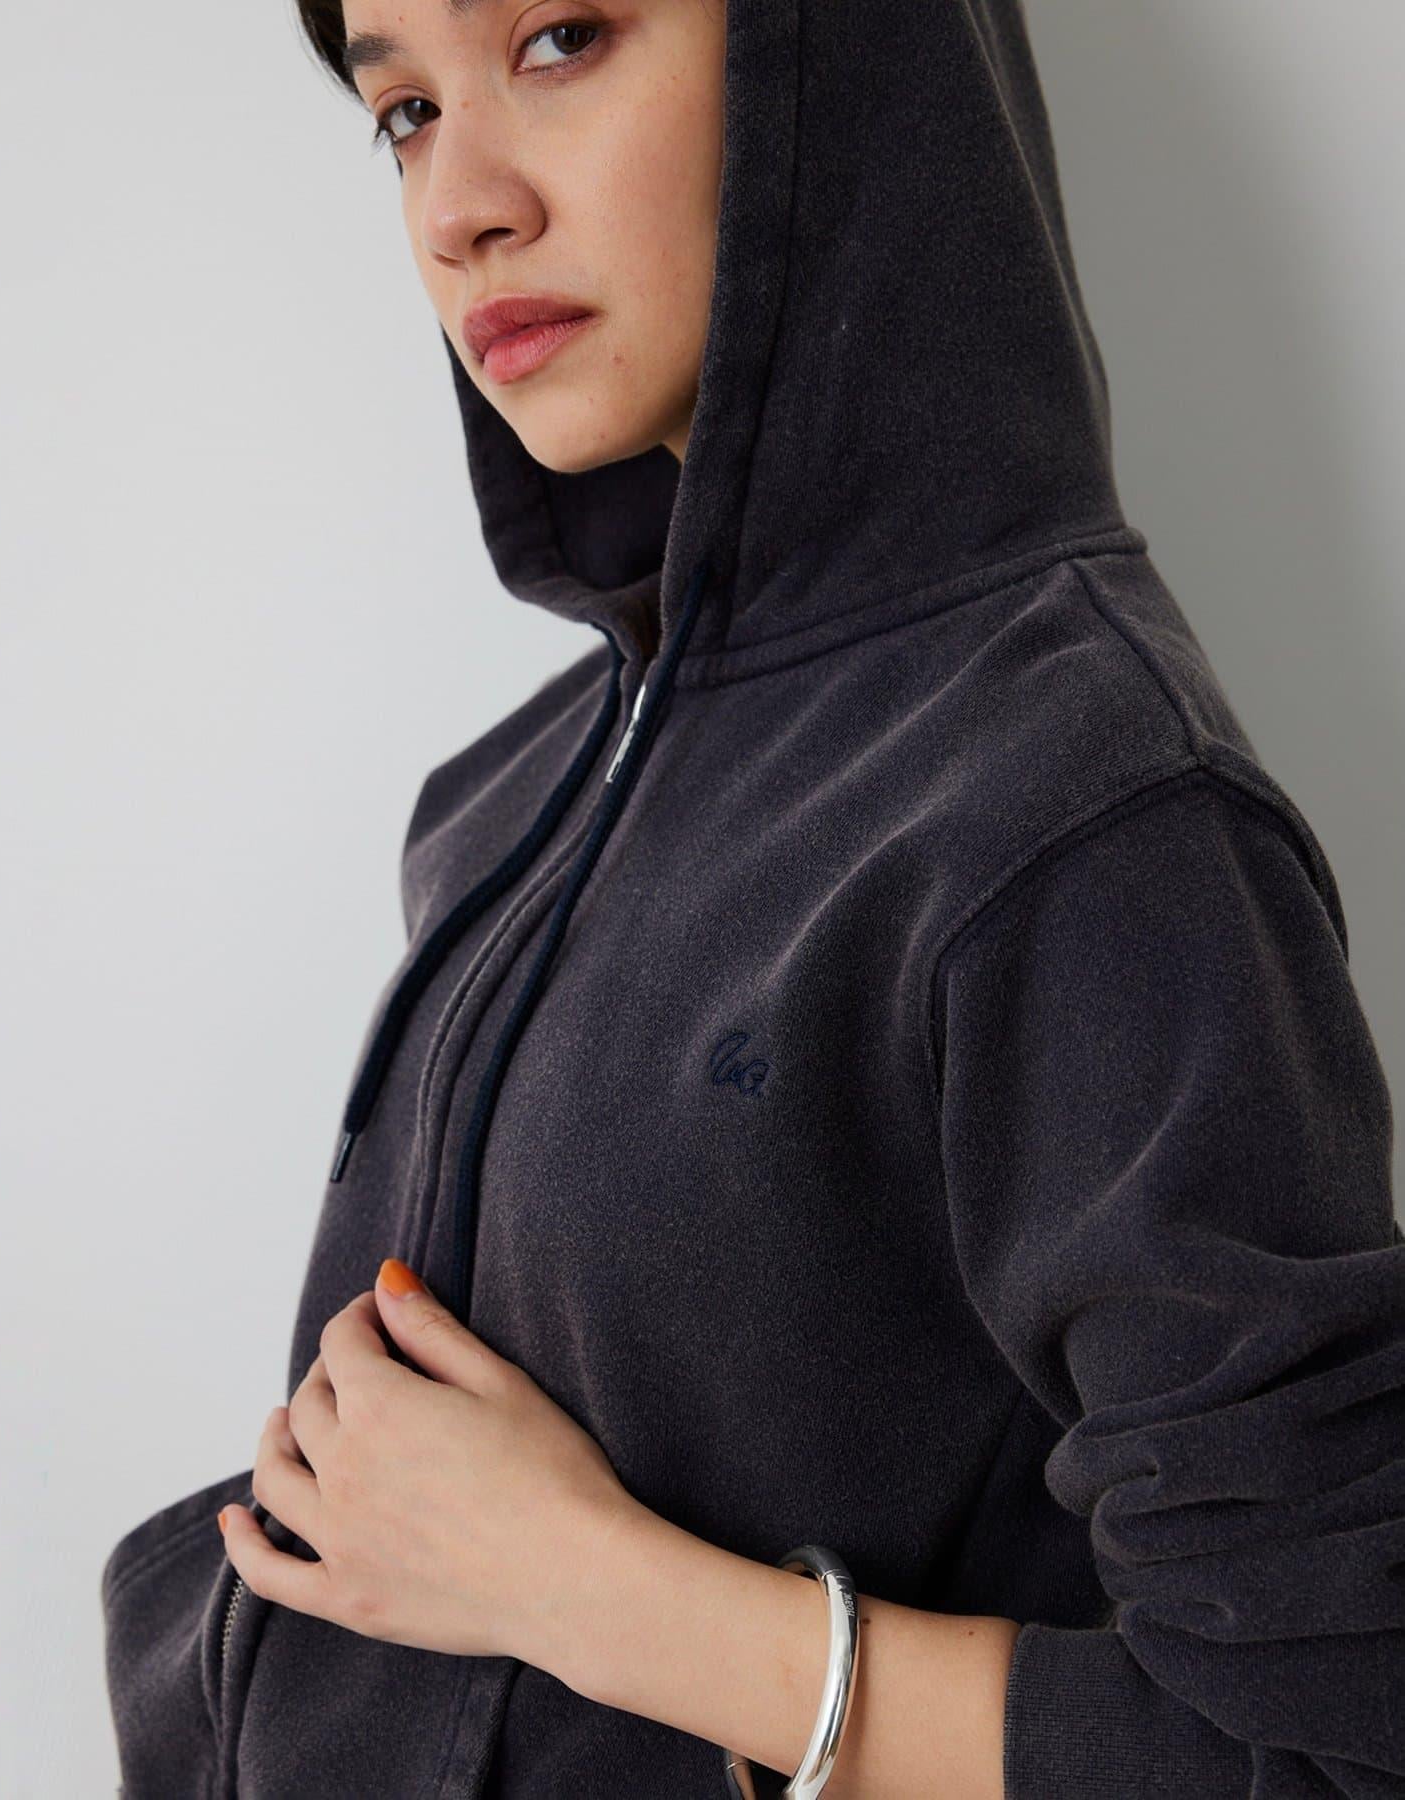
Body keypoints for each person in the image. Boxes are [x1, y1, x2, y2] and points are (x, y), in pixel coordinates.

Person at [100, 1, 1405, 1794]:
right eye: (401, 110)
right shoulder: (510, 796)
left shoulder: (1087, 813)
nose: (458, 206)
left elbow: (1331, 1756)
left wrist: (583, 1589)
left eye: (558, 38)